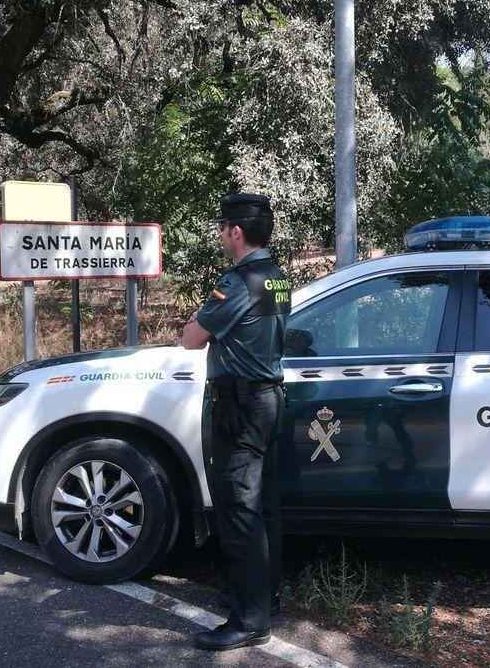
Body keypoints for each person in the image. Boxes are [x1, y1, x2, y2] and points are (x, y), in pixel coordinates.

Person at [181, 193, 291, 651]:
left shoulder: (240, 281)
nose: (221, 233)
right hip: (268, 402)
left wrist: (198, 321)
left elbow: (191, 338)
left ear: (236, 231)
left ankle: (250, 620)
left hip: (239, 408)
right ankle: (264, 597)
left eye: (223, 226)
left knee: (239, 512)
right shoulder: (279, 278)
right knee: (264, 507)